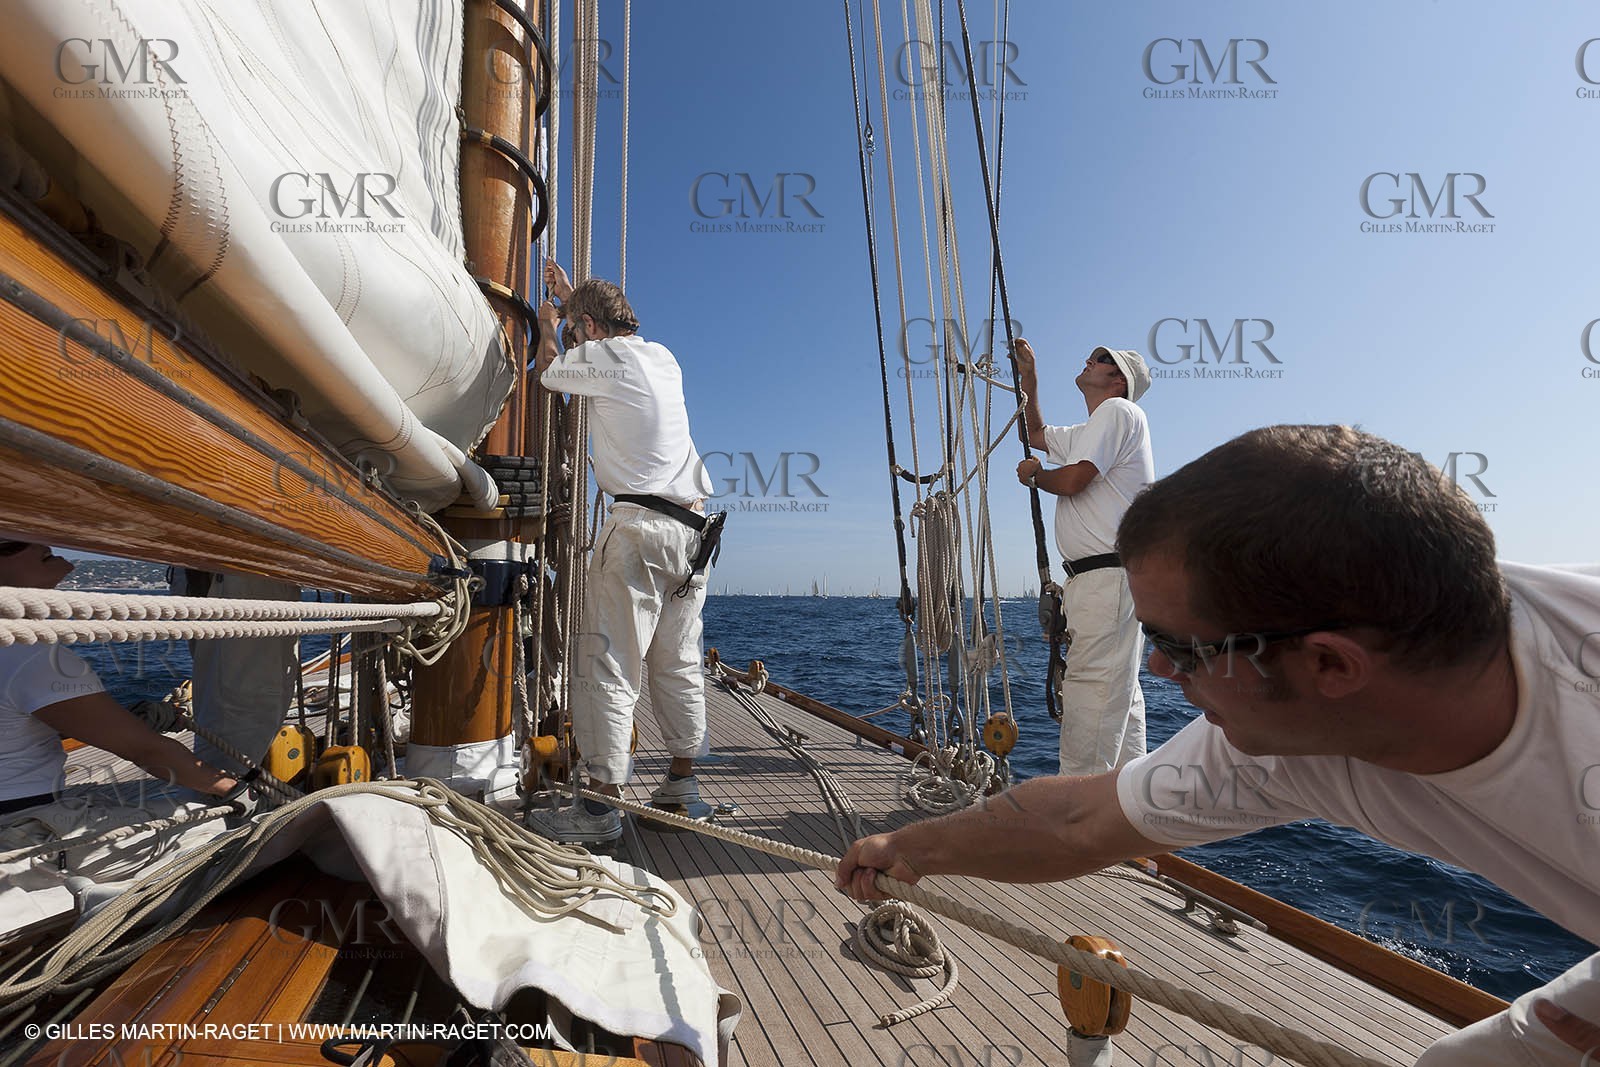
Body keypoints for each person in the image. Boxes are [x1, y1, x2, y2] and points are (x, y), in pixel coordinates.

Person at [839, 425, 1600, 1066]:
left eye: (1180, 645)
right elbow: (1076, 821)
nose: (1160, 668)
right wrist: (909, 844)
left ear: (1331, 663)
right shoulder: (1292, 732)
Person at [527, 260, 717, 844]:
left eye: (579, 328)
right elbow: (602, 334)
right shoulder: (664, 358)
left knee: (608, 665)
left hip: (637, 529)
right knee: (676, 662)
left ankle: (599, 809)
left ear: (588, 327)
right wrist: (570, 298)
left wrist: (546, 322)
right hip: (693, 535)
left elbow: (547, 374)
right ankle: (683, 786)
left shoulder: (598, 357)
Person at [0, 541, 246, 814]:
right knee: (254, 817)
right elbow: (145, 752)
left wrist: (127, 720)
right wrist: (236, 791)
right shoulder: (29, 656)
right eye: (14, 543)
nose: (41, 543)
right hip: (20, 819)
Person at [1012, 339, 1155, 776]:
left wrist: (1037, 477)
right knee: (1119, 699)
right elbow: (1033, 435)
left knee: (1092, 696)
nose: (1089, 360)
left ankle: (1076, 828)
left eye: (1101, 359)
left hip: (1106, 580)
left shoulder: (1119, 412)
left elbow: (1075, 480)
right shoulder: (1092, 429)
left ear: (1118, 381)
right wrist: (1030, 380)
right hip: (1102, 581)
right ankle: (1126, 821)